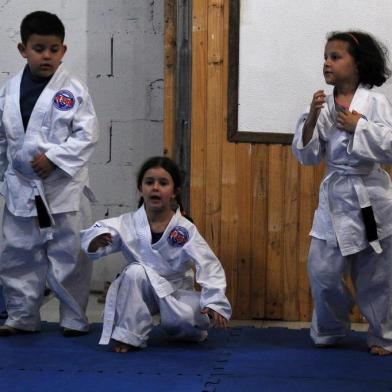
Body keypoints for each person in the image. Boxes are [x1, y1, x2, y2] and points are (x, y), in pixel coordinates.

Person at [292, 30, 392, 356]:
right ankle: (332, 328)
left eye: (336, 57)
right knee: (321, 270)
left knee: (375, 274)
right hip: (335, 197)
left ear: (358, 64)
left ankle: (383, 336)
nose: (327, 63)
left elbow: (389, 147)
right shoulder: (322, 103)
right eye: (325, 57)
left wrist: (359, 126)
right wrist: (311, 119)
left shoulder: (376, 102)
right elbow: (308, 155)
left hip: (370, 198)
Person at [0, 11, 99, 336]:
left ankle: (73, 319)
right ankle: (22, 317)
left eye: (54, 49)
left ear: (63, 50)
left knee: (68, 254)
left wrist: (55, 158)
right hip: (21, 187)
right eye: (39, 48)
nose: (47, 55)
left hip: (61, 186)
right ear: (22, 49)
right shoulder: (8, 91)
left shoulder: (73, 90)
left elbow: (87, 134)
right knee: (17, 253)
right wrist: (5, 174)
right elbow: (4, 140)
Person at [80, 156, 231, 352]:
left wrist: (214, 301)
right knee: (134, 272)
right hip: (140, 293)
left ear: (175, 191)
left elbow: (208, 264)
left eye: (163, 183)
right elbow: (101, 229)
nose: (155, 188)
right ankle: (129, 335)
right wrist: (95, 240)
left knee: (192, 320)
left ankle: (185, 328)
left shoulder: (184, 229)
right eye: (149, 182)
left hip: (175, 293)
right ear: (140, 188)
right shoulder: (129, 222)